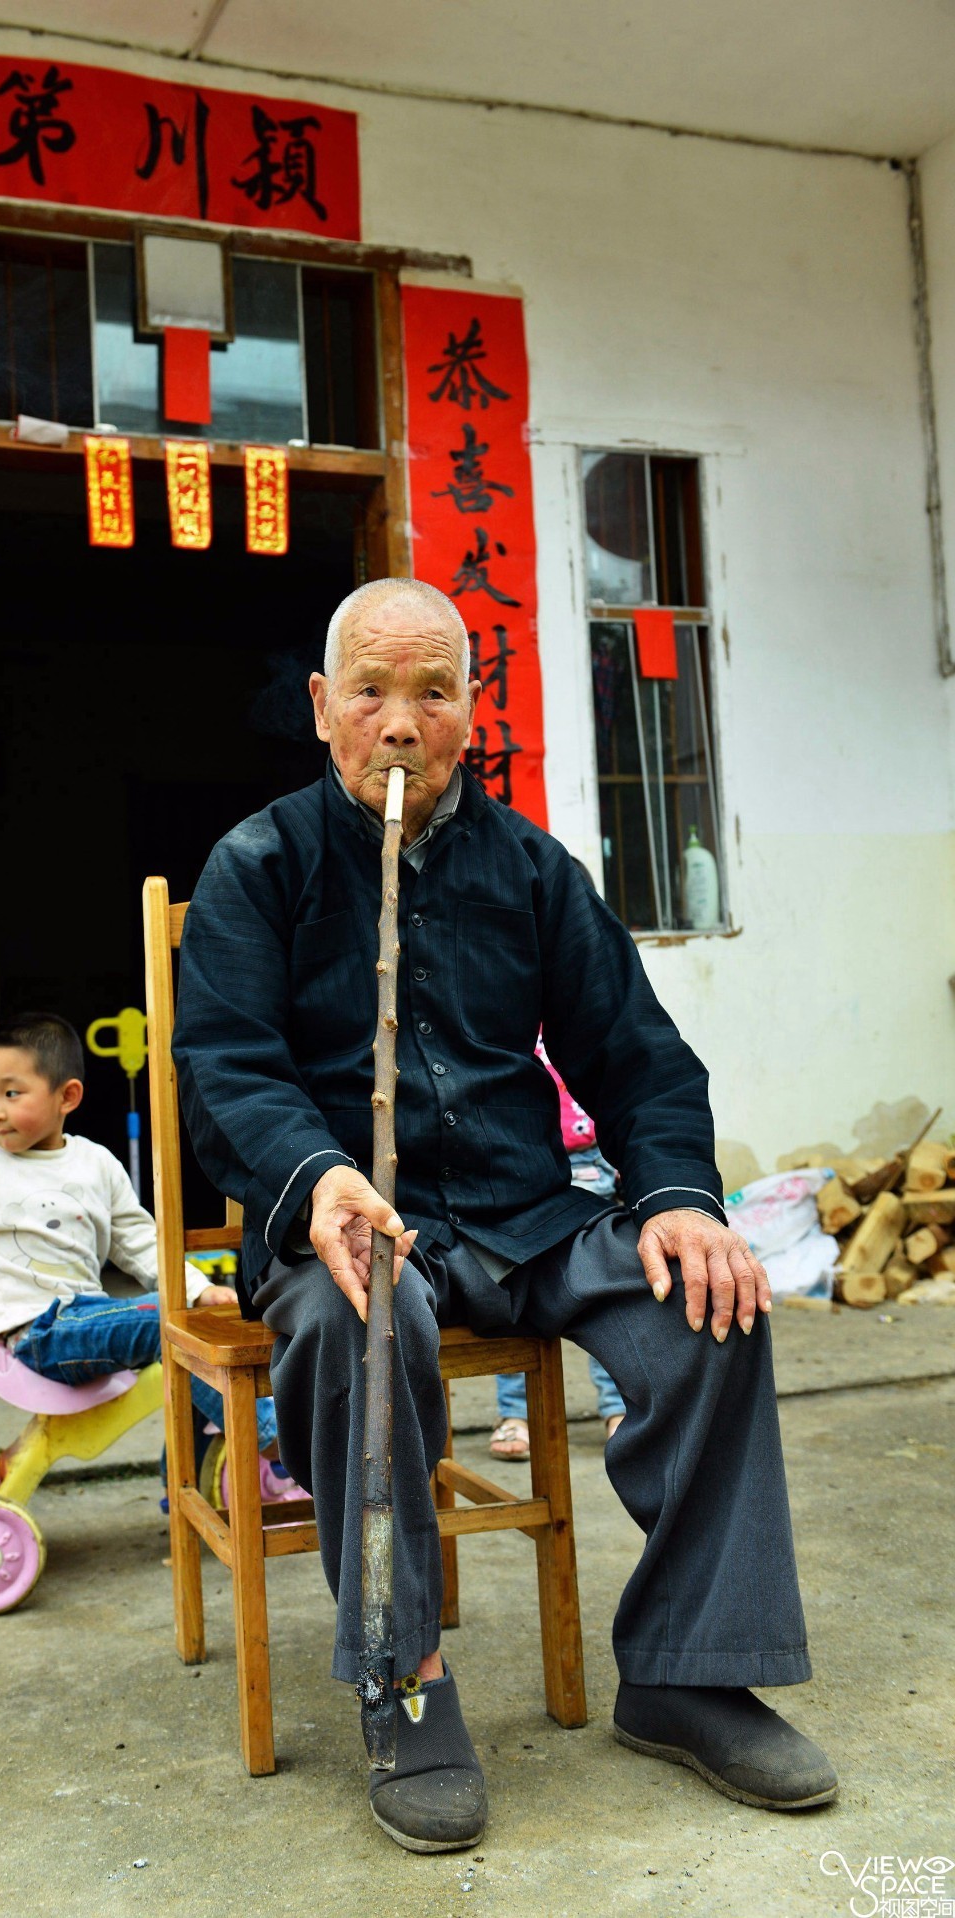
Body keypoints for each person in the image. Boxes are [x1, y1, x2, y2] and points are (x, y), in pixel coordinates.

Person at [173, 578, 837, 1853]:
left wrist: (683, 1202)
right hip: (347, 1228)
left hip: (522, 1217)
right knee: (358, 1322)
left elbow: (637, 1057)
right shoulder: (261, 864)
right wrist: (317, 1178)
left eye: (433, 691)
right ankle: (402, 1675)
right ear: (323, 709)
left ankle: (685, 1672)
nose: (401, 723)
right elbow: (228, 1069)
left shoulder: (530, 868)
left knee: (711, 1310)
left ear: (473, 711)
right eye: (370, 692)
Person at [0, 1011, 297, 1503]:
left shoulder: (94, 1163)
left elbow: (138, 1240)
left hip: (83, 1320)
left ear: (66, 1096)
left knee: (190, 1336)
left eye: (11, 1093)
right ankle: (279, 1440)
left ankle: (189, 1482)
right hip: (37, 1335)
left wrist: (198, 1289)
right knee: (164, 1324)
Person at [492, 1035, 625, 1460]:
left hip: (589, 1164)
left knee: (604, 1293)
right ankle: (516, 1413)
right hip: (518, 1170)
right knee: (516, 1292)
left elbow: (621, 1081)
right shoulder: (495, 1015)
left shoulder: (583, 1003)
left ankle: (619, 1409)